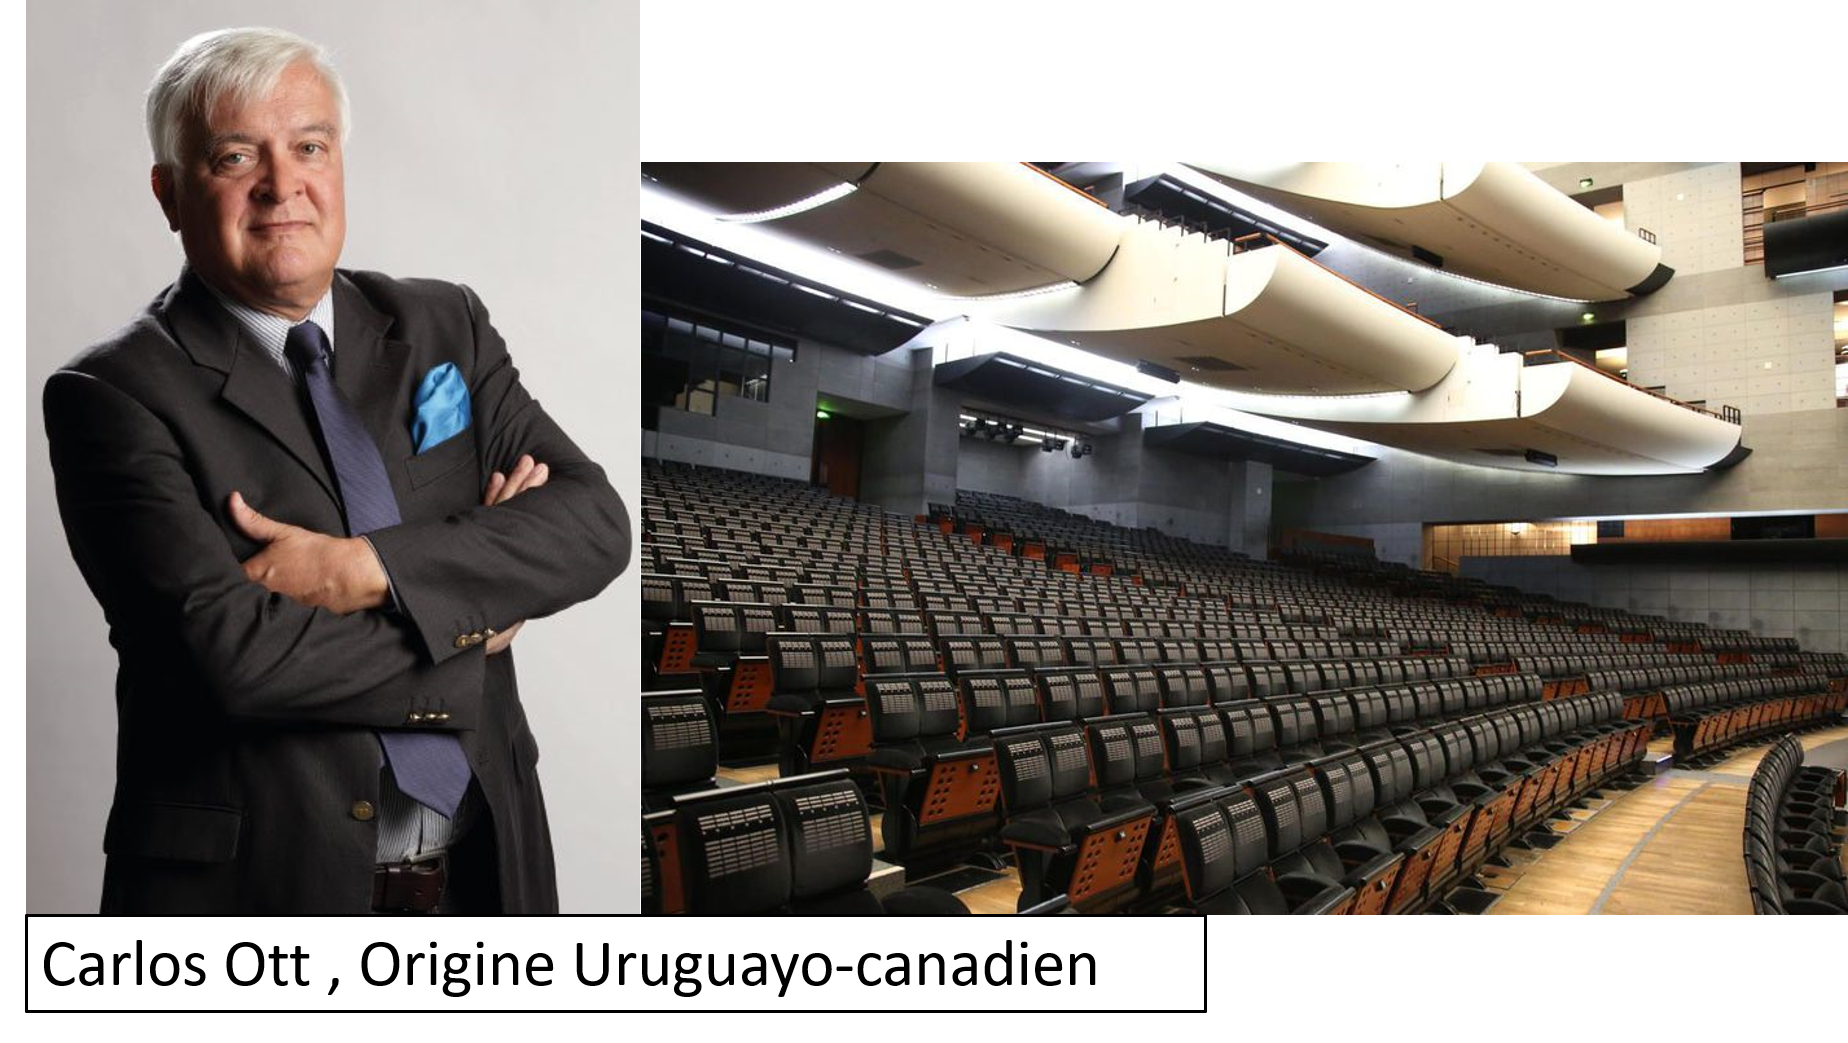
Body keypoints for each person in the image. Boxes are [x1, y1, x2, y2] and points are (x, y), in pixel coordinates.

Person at [42, 27, 629, 913]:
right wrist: (477, 610)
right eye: (236, 156)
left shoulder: (442, 326)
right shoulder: (113, 392)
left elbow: (593, 523)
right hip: (264, 886)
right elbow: (238, 662)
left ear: (338, 161)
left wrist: (364, 571)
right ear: (169, 193)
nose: (284, 186)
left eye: (309, 146)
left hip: (483, 872)